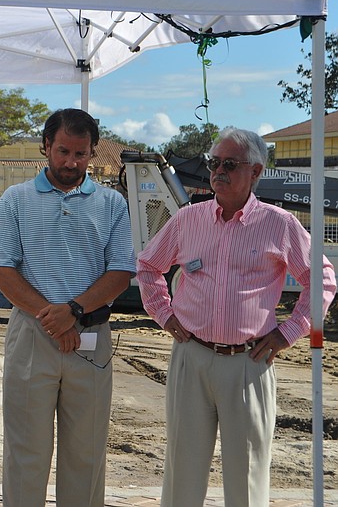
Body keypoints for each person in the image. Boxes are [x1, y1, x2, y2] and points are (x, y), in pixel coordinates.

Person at [136, 127, 336, 507]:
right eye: (213, 163)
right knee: (182, 469)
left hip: (248, 362)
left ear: (255, 171)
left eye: (229, 164)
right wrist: (163, 313)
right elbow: (147, 266)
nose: (218, 172)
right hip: (191, 357)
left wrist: (289, 331)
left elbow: (322, 279)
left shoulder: (279, 224)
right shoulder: (188, 219)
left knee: (247, 475)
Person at [0, 108, 135, 507]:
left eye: (80, 154)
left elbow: (121, 273)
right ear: (46, 146)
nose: (71, 162)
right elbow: (1, 270)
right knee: (25, 452)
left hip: (90, 336)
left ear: (92, 152)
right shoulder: (16, 200)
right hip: (33, 335)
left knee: (86, 453)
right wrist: (55, 319)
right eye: (63, 151)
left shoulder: (112, 204)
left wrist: (74, 311)